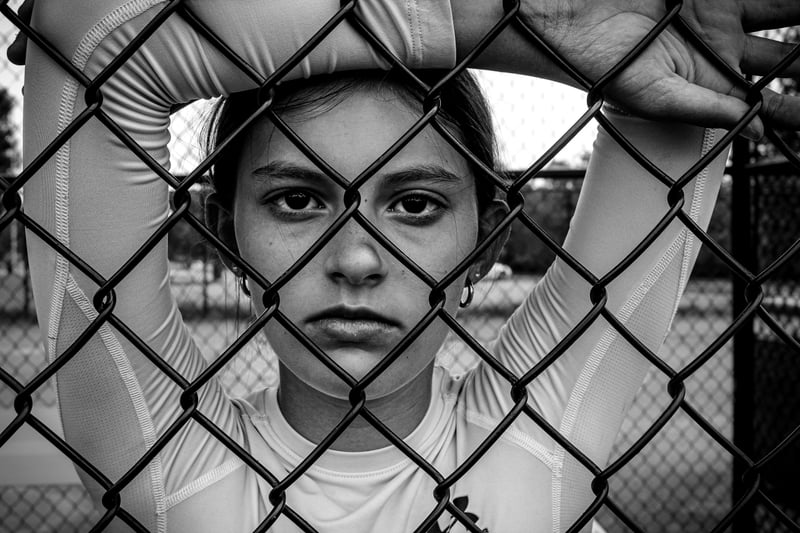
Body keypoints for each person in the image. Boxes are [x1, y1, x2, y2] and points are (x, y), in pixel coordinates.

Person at [11, 0, 800, 531]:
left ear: (484, 248)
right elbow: (91, 32)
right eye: (297, 200)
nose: (355, 258)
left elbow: (680, 68)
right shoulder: (166, 467)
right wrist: (535, 21)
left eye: (415, 205)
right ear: (227, 236)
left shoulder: (533, 442)